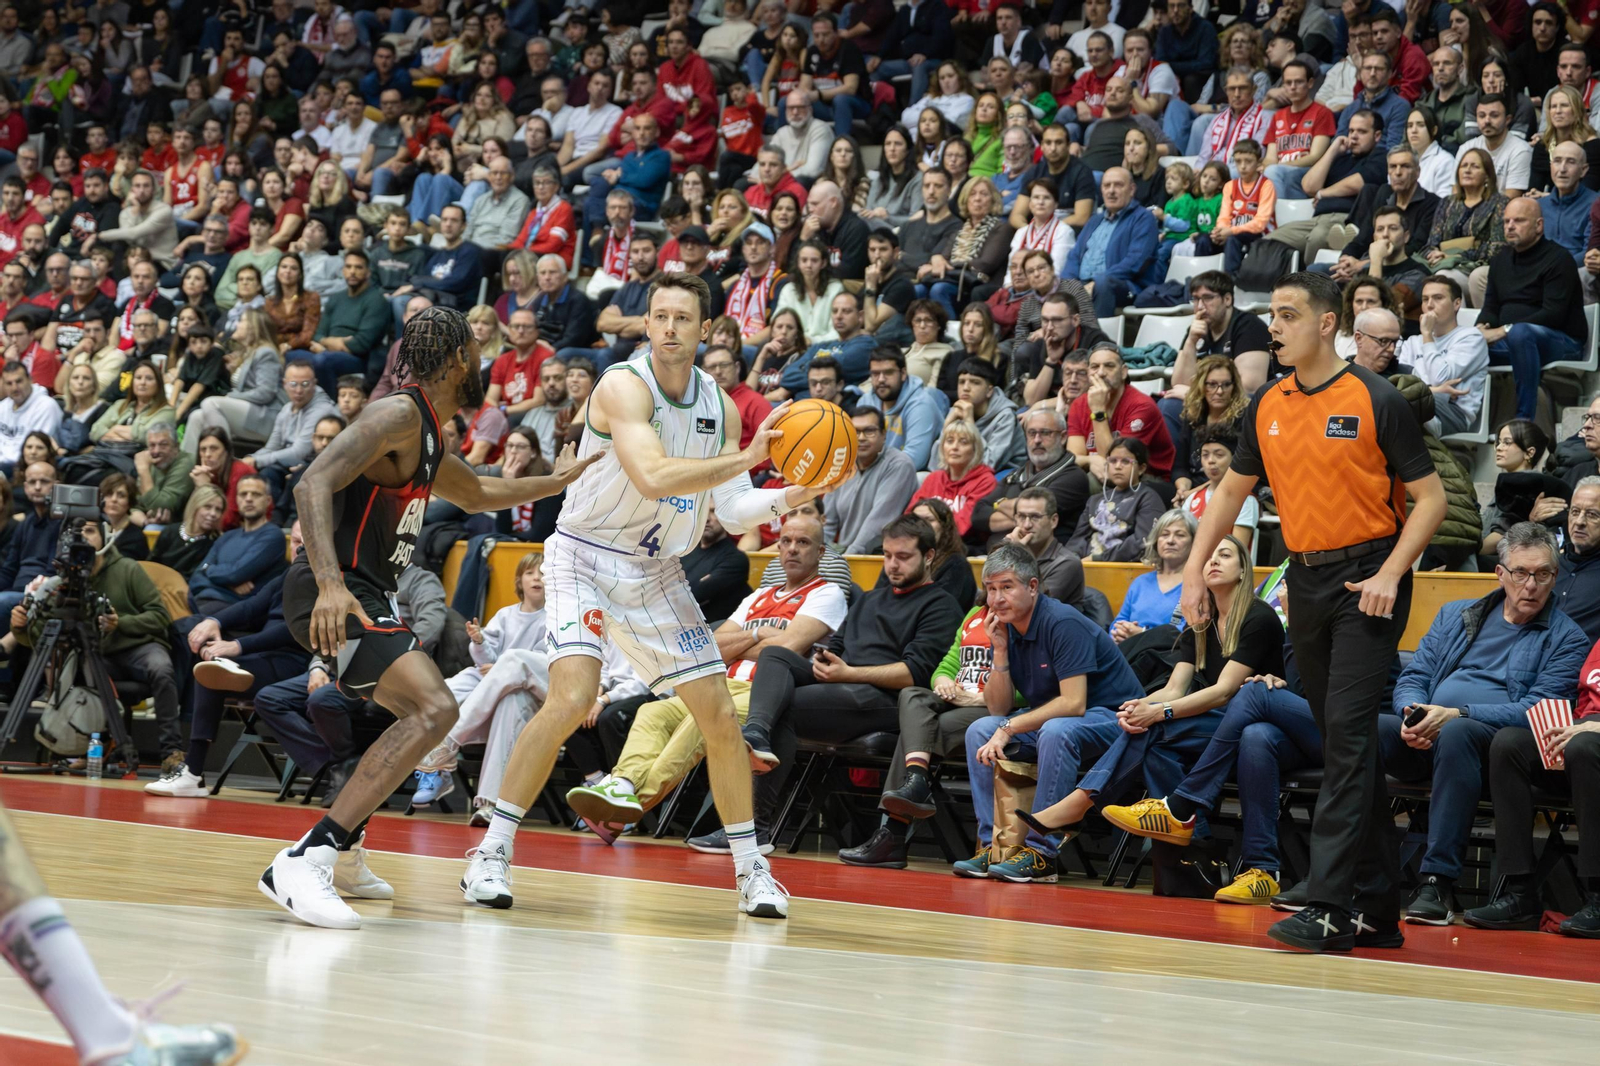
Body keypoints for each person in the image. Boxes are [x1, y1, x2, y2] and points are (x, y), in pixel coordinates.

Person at [455, 275, 835, 921]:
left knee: (717, 714)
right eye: (658, 315)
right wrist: (747, 454)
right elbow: (653, 475)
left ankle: (752, 871)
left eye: (682, 317)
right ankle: (492, 850)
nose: (667, 328)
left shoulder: (721, 405)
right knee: (573, 694)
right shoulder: (623, 385)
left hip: (656, 572)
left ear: (705, 329)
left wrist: (795, 490)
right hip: (583, 554)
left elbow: (733, 504)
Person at [256, 305, 599, 930]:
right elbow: (311, 484)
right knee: (434, 709)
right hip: (336, 591)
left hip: (371, 593)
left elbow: (480, 493)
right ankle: (308, 857)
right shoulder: (395, 413)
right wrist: (332, 586)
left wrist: (558, 481)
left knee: (403, 716)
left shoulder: (432, 429)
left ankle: (349, 850)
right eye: (476, 349)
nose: (484, 359)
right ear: (456, 360)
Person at [1182, 270, 1445, 952]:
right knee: (1340, 747)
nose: (1275, 325)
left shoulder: (1375, 397)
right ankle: (1381, 910)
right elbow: (1230, 496)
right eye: (1271, 313)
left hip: (1371, 580)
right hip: (1304, 580)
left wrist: (1392, 571)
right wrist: (1192, 571)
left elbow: (1433, 500)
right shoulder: (1266, 402)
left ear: (1327, 324)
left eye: (1289, 314)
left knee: (1349, 741)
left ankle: (1329, 906)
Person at [566, 512, 846, 835]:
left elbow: (784, 649)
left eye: (803, 542)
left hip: (766, 697)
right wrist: (757, 635)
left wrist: (742, 643)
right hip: (723, 682)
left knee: (699, 724)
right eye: (786, 541)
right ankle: (622, 786)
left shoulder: (827, 594)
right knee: (653, 712)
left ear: (821, 552)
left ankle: (626, 811)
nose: (792, 549)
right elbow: (712, 647)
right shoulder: (758, 597)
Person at [1380, 521, 1587, 925]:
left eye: (1543, 574)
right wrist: (1412, 712)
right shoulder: (1456, 614)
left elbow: (1536, 708)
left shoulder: (1567, 638)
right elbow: (1414, 676)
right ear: (1499, 573)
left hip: (1489, 751)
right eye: (1521, 573)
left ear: (1555, 576)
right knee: (1364, 731)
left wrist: (1457, 714)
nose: (1531, 585)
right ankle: (1351, 873)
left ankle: (1437, 882)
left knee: (1457, 733)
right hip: (1423, 736)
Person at [731, 513, 962, 844]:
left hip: (883, 699)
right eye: (887, 555)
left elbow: (915, 673)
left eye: (904, 557)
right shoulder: (869, 598)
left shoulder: (940, 605)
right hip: (840, 685)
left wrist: (848, 673)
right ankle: (756, 734)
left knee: (785, 708)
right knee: (775, 654)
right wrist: (827, 663)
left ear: (928, 556)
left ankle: (754, 827)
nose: (893, 565)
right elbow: (836, 646)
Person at [954, 542, 1143, 881]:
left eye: (1006, 587)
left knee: (1057, 729)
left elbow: (1074, 703)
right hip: (1054, 719)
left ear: (1032, 586)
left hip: (1116, 722)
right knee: (980, 729)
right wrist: (999, 652)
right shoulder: (1006, 626)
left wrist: (1010, 727)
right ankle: (994, 846)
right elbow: (998, 708)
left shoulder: (1062, 622)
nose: (996, 599)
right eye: (991, 589)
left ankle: (1042, 852)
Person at [1464, 619, 1600, 935]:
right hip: (1581, 739)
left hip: (1590, 744)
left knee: (1584, 746)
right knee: (1509, 743)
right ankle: (1519, 893)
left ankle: (1598, 897)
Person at [1480, 197, 1587, 421]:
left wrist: (1505, 330)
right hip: (1515, 341)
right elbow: (1490, 306)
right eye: (1507, 221)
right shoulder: (1500, 261)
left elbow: (1553, 314)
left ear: (1539, 225)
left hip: (1561, 340)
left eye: (1518, 221)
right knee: (1463, 342)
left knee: (1521, 334)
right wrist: (1480, 329)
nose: (1510, 226)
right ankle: (1461, 421)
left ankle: (1524, 421)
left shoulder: (1558, 259)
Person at [1067, 344, 1175, 484]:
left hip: (1148, 479)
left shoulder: (1141, 406)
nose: (1100, 373)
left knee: (1090, 482)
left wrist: (1098, 411)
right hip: (1103, 471)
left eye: (1109, 366)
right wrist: (1090, 460)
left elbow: (1115, 461)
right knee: (1067, 479)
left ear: (1124, 372)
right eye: (1094, 367)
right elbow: (1074, 457)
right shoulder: (1079, 404)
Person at [1062, 168, 1159, 319]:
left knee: (1103, 284)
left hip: (1126, 287)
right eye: (1107, 186)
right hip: (1085, 284)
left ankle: (1097, 340)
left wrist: (1094, 283)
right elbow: (1074, 256)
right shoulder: (1094, 220)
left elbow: (1135, 262)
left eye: (1118, 185)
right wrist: (1070, 284)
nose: (1111, 191)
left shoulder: (1143, 218)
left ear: (1132, 189)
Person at [824, 406, 918, 555]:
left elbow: (878, 524)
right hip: (842, 554)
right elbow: (826, 522)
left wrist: (847, 560)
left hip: (881, 556)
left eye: (869, 431)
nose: (861, 437)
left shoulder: (899, 465)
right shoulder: (841, 464)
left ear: (883, 435)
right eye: (855, 432)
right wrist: (819, 554)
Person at [857, 346, 945, 471]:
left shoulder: (921, 404)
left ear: (903, 374)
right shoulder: (865, 402)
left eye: (888, 373)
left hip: (911, 476)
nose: (881, 379)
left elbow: (914, 460)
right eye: (875, 374)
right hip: (877, 471)